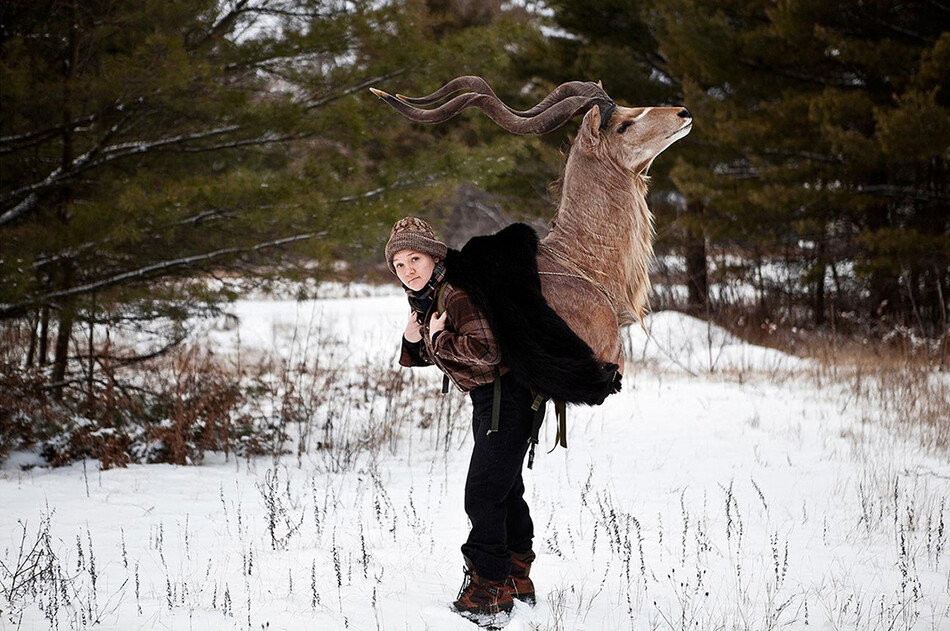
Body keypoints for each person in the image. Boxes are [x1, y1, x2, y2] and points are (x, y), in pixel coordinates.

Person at [385, 217, 537, 616]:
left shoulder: (454, 294)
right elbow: (426, 354)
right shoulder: (426, 298)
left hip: (505, 395)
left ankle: (489, 589)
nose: (408, 270)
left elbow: (486, 351)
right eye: (399, 264)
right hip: (492, 399)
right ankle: (517, 575)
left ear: (434, 256)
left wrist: (439, 339)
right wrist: (415, 337)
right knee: (505, 488)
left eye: (414, 258)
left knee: (483, 492)